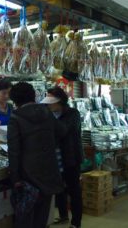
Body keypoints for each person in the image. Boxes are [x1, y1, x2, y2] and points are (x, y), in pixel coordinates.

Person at [7, 82, 65, 228]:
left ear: (15, 100)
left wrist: (15, 178)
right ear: (33, 95)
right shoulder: (46, 112)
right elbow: (62, 131)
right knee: (41, 218)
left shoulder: (16, 117)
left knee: (25, 219)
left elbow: (14, 151)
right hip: (49, 172)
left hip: (28, 176)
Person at [41, 87, 83, 228]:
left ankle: (76, 223)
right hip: (55, 159)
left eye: (50, 102)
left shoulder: (73, 114)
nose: (48, 105)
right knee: (59, 190)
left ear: (59, 101)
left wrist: (48, 120)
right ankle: (63, 216)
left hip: (71, 159)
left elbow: (63, 131)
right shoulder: (51, 114)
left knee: (74, 191)